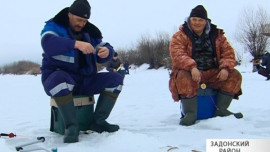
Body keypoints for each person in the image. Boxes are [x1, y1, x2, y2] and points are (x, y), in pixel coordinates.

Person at [40, 0, 123, 143]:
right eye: (79, 20)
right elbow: (48, 44)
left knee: (115, 80)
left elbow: (106, 47)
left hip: (85, 80)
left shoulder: (90, 32)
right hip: (57, 79)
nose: (81, 24)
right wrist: (76, 44)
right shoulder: (54, 26)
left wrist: (107, 52)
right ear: (69, 14)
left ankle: (97, 122)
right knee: (60, 79)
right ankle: (71, 127)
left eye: (84, 21)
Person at [169, 5, 242, 126]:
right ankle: (190, 113)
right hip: (191, 73)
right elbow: (177, 55)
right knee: (182, 76)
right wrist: (192, 67)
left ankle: (221, 110)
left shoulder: (218, 36)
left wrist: (225, 68)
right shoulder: (180, 35)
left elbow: (228, 53)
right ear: (189, 20)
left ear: (206, 21)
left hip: (213, 74)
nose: (197, 22)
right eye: (194, 19)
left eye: (201, 20)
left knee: (234, 75)